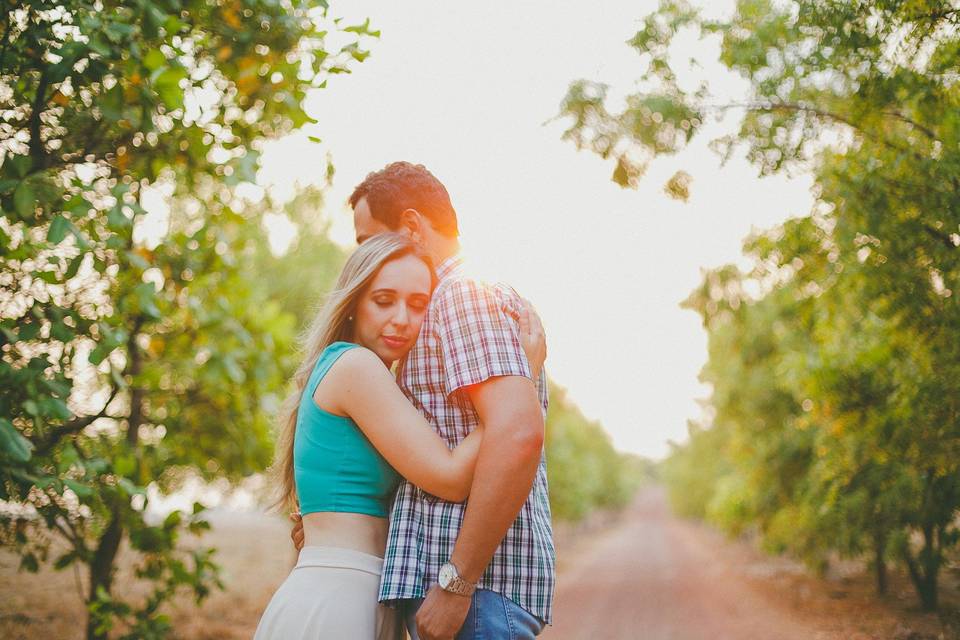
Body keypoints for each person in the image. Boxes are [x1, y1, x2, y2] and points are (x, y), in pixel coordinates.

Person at [291, 161, 556, 639]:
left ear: (412, 228)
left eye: (367, 239)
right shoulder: (434, 310)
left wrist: (455, 584)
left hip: (476, 596)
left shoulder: (460, 296)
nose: (365, 256)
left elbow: (516, 434)